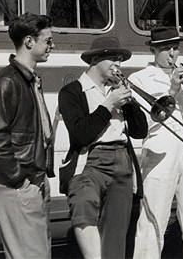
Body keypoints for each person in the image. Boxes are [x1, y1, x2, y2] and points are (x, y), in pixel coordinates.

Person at [58, 36, 148, 259]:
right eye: (113, 60)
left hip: (122, 160)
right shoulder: (72, 91)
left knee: (115, 236)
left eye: (120, 60)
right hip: (91, 160)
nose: (118, 66)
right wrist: (108, 106)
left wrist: (130, 103)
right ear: (96, 59)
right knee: (83, 207)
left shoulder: (116, 90)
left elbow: (140, 131)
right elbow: (81, 134)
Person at [0, 12, 55, 258]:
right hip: (20, 184)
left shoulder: (29, 80)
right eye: (48, 41)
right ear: (29, 42)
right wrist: (20, 179)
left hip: (33, 180)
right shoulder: (7, 82)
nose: (52, 46)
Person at [129, 27, 183, 259]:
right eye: (165, 49)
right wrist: (172, 91)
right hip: (160, 151)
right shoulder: (139, 78)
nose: (172, 54)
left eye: (175, 48)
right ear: (153, 50)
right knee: (153, 219)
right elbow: (142, 123)